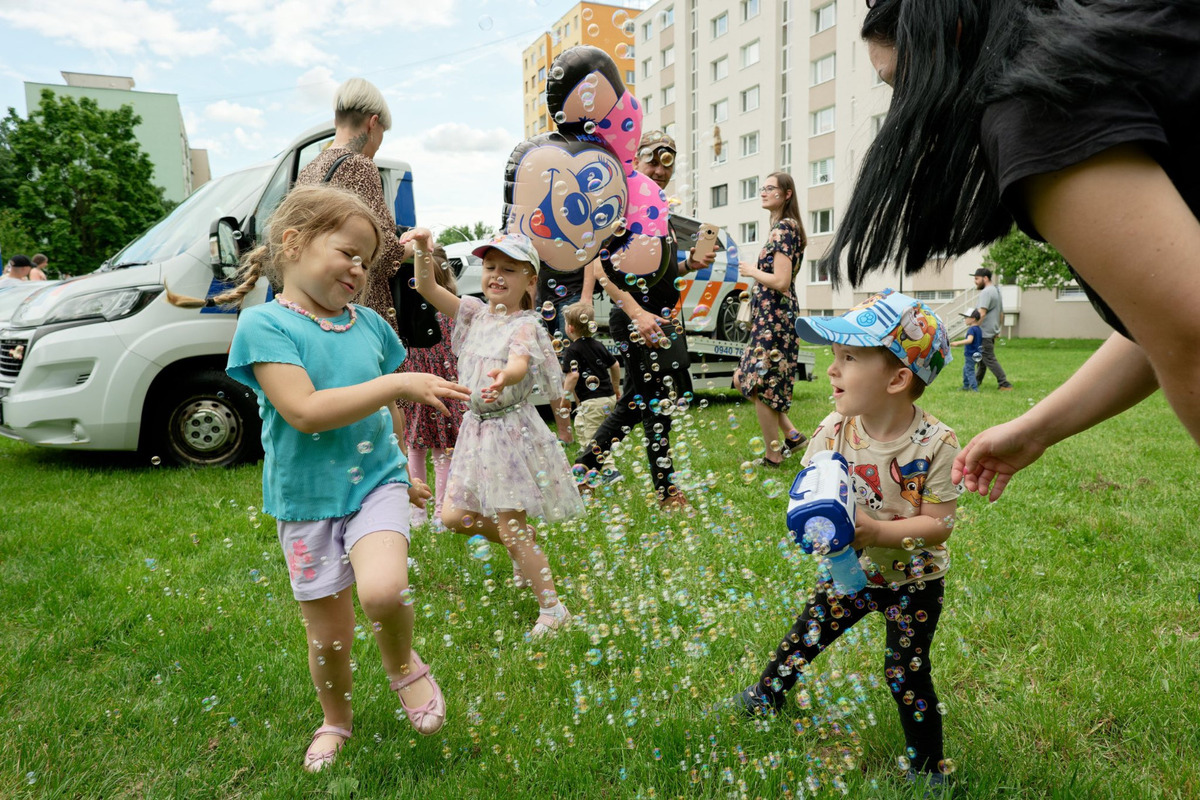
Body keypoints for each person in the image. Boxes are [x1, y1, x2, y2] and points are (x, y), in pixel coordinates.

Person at [825, 1, 1200, 494]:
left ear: (952, 35)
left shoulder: (1036, 98)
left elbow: (1191, 336)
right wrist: (1036, 429)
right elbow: (1159, 322)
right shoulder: (1079, 51)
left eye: (899, 82)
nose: (901, 109)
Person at [172, 185, 470, 770]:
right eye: (348, 253)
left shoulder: (372, 328)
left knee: (383, 590)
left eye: (367, 260)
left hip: (375, 485)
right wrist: (397, 385)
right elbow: (305, 411)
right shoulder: (264, 327)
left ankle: (404, 665)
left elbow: (385, 408)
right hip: (306, 502)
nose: (359, 269)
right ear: (294, 242)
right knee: (329, 637)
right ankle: (336, 720)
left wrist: (403, 468)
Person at [733, 290, 960, 793]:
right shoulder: (834, 428)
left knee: (905, 672)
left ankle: (927, 768)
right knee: (805, 635)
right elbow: (812, 489)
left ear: (898, 379)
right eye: (834, 357)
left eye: (849, 358)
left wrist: (878, 532)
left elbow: (940, 524)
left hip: (914, 581)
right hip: (847, 571)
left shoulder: (936, 444)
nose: (832, 370)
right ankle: (766, 694)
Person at [406, 228, 583, 636]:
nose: (496, 275)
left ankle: (554, 610)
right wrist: (420, 249)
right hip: (475, 430)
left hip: (509, 431)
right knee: (452, 516)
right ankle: (522, 539)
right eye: (489, 267)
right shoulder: (473, 313)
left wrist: (506, 375)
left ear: (530, 281)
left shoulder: (524, 325)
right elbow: (429, 287)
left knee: (509, 524)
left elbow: (520, 363)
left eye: (509, 269)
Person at [571, 131, 713, 507]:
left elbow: (660, 272)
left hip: (660, 316)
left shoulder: (658, 208)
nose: (660, 171)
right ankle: (666, 492)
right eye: (652, 160)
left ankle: (584, 470)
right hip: (638, 318)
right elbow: (601, 265)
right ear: (635, 160)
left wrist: (688, 263)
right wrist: (636, 313)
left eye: (668, 163)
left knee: (636, 401)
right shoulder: (623, 205)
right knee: (654, 405)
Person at [733, 172, 810, 467]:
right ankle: (791, 435)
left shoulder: (784, 229)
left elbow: (780, 280)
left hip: (776, 321)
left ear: (786, 193)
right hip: (770, 319)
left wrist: (752, 271)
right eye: (761, 188)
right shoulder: (782, 228)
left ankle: (772, 455)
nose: (763, 192)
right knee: (744, 379)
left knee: (762, 387)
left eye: (770, 188)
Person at [402, 245, 464, 528]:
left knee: (415, 447)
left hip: (416, 392)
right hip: (443, 393)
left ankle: (418, 513)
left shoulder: (407, 320)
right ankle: (440, 513)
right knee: (443, 452)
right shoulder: (453, 315)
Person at [560, 301, 621, 482]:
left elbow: (573, 376)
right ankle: (587, 452)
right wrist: (616, 388)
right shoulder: (598, 345)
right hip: (607, 398)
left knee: (593, 437)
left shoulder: (572, 350)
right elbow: (615, 365)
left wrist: (565, 398)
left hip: (592, 402)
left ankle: (610, 471)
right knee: (588, 426)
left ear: (570, 328)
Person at [970, 268, 1011, 390]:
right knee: (982, 360)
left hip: (984, 332)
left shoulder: (986, 292)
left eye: (977, 279)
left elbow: (982, 313)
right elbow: (1001, 314)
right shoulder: (996, 291)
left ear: (985, 278)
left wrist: (974, 328)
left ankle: (1004, 383)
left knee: (988, 358)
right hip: (991, 331)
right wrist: (997, 330)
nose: (975, 281)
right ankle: (976, 382)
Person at [950, 310, 983, 391]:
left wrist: (957, 343)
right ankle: (966, 386)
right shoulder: (978, 329)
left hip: (970, 354)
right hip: (976, 354)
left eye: (966, 318)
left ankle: (974, 389)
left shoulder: (971, 329)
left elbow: (969, 340)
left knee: (969, 371)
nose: (964, 319)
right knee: (966, 369)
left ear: (973, 319)